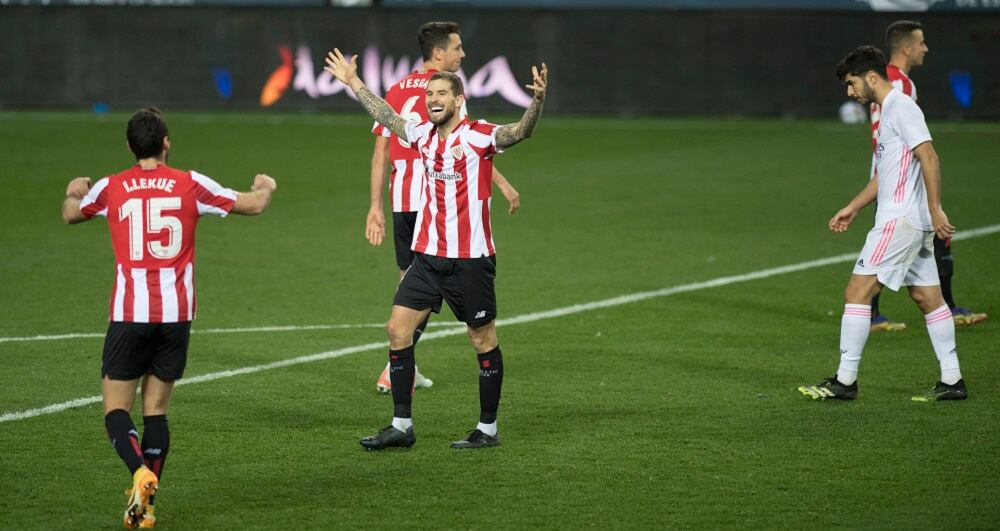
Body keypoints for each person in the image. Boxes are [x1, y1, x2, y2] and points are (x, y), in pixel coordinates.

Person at [61, 108, 277, 527]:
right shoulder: (189, 183)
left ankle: (138, 473)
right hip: (177, 314)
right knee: (156, 411)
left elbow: (71, 213)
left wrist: (74, 191)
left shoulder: (112, 187)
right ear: (166, 143)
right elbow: (251, 205)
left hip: (129, 313)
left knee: (116, 411)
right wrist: (264, 186)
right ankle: (145, 506)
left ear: (129, 146)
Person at [324, 47, 547, 448]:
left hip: (470, 261)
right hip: (427, 257)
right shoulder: (423, 134)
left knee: (482, 340)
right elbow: (386, 116)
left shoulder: (479, 135)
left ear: (458, 100)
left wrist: (537, 103)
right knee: (397, 330)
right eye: (430, 96)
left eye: (441, 94)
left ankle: (487, 430)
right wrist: (353, 81)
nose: (433, 100)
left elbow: (519, 132)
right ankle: (402, 426)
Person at [799, 46, 967, 402]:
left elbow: (930, 156)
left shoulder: (901, 107)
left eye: (851, 83)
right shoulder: (886, 110)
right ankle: (953, 381)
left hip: (900, 221)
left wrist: (936, 209)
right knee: (928, 298)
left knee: (856, 293)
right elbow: (886, 174)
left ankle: (845, 381)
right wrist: (854, 207)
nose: (849, 92)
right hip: (910, 221)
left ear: (870, 77)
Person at [367, 21, 522, 394]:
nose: (462, 55)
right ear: (438, 54)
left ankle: (403, 361)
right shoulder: (448, 95)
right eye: (457, 48)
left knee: (411, 283)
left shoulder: (398, 88)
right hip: (436, 201)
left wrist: (375, 206)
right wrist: (499, 183)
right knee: (426, 287)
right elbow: (464, 150)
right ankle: (401, 365)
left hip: (401, 198)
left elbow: (382, 150)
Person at [867, 20, 987, 332]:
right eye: (921, 43)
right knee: (936, 233)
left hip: (885, 170)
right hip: (902, 174)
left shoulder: (881, 80)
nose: (925, 49)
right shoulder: (901, 86)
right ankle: (945, 307)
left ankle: (874, 312)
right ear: (906, 48)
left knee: (894, 237)